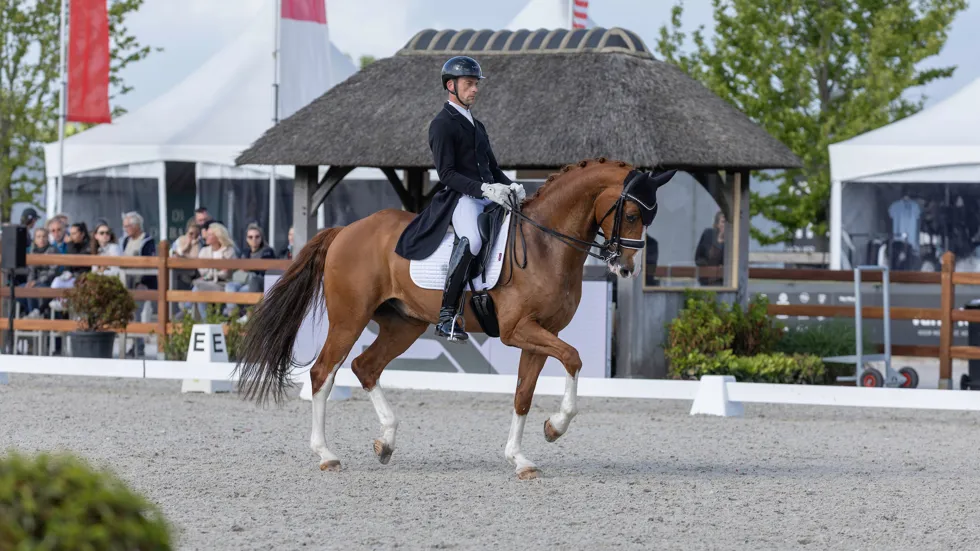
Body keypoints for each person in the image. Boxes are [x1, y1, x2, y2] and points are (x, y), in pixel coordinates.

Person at [394, 55, 525, 342]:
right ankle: (447, 315)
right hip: (460, 199)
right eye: (469, 83)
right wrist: (484, 189)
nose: (475, 89)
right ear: (451, 85)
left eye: (476, 84)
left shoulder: (478, 126)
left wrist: (511, 186)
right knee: (474, 240)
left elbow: (492, 169)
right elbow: (447, 173)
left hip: (488, 197)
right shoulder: (442, 124)